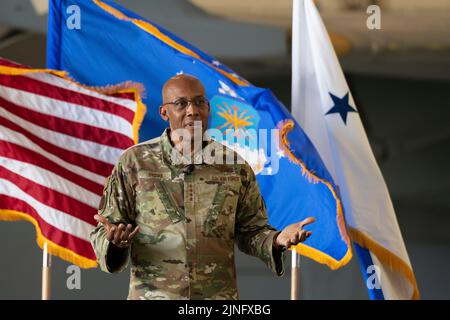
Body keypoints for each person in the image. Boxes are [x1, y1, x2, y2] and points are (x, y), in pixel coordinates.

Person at [90, 74, 315, 300]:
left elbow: (252, 231)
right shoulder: (135, 162)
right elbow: (105, 230)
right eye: (181, 104)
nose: (192, 111)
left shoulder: (234, 166)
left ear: (208, 108)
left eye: (199, 102)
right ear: (164, 112)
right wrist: (115, 243)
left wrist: (277, 240)